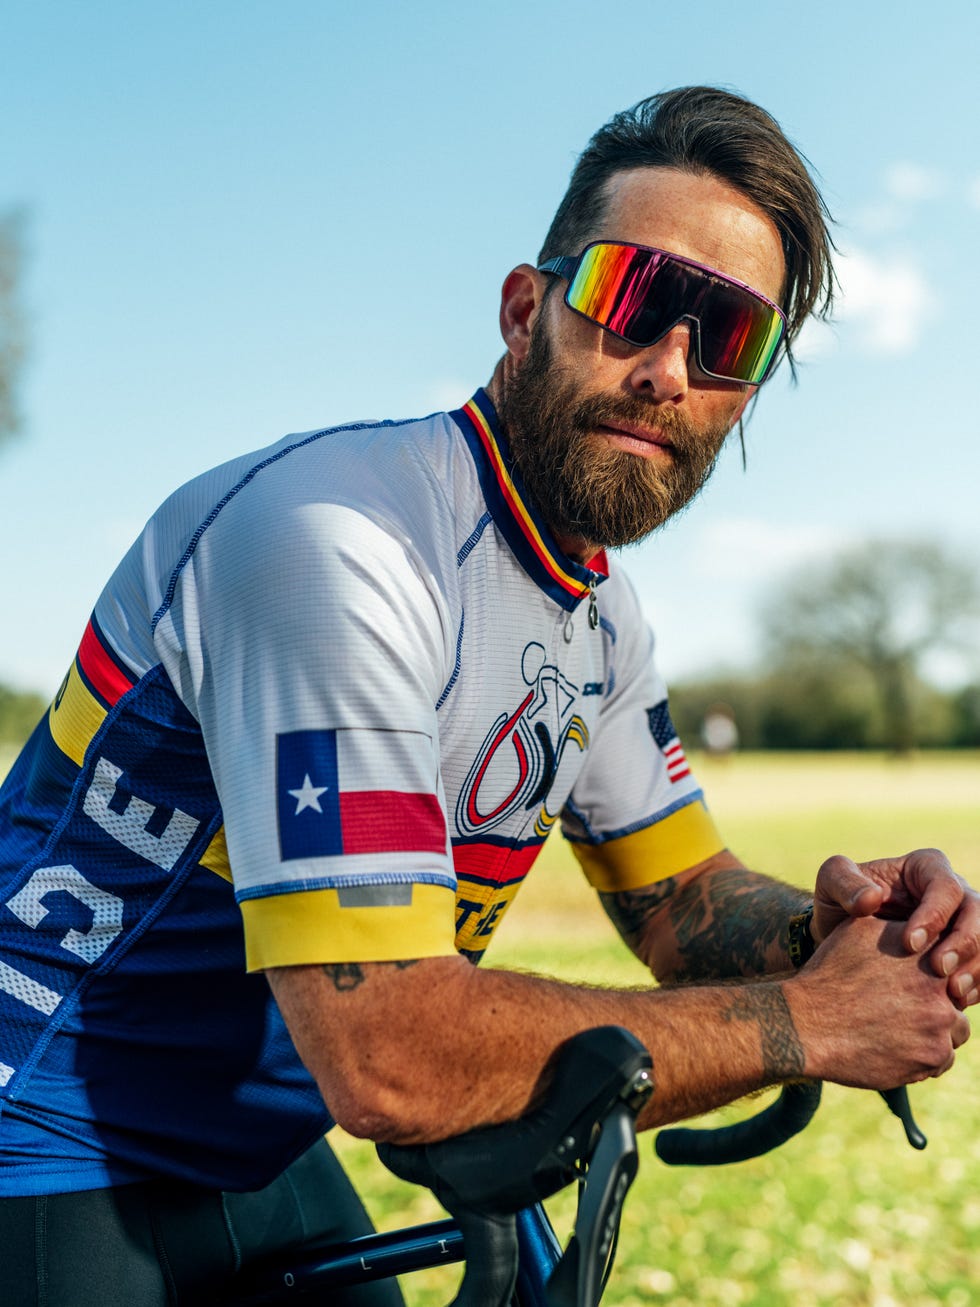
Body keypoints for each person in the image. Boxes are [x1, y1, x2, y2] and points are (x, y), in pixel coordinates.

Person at [0, 86, 975, 1305]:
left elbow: (682, 899)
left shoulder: (602, 619)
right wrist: (806, 1022)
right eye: (633, 297)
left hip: (244, 1151)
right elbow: (392, 1051)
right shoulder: (338, 544)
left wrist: (838, 932)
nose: (669, 366)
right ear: (527, 310)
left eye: (729, 339)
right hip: (41, 1139)